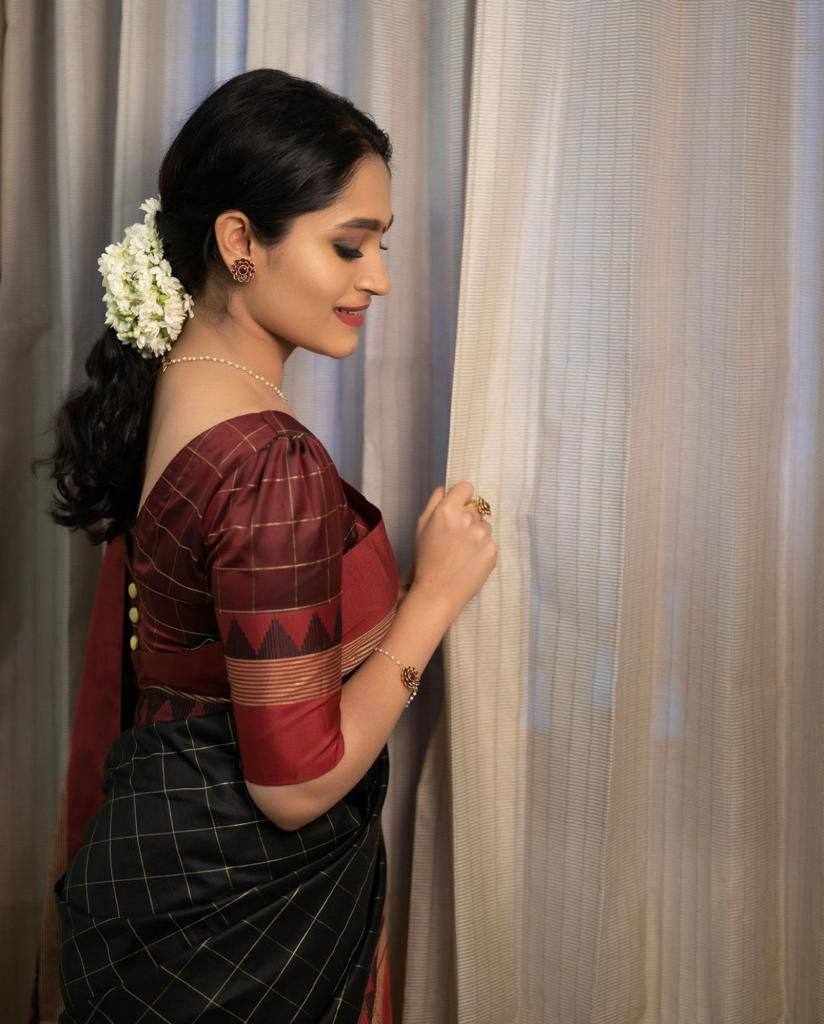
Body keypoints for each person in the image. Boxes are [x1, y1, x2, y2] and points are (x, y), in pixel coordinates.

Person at [28, 68, 497, 1023]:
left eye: (381, 245)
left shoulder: (179, 388)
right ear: (240, 242)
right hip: (236, 933)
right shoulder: (266, 463)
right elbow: (295, 785)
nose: (379, 278)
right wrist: (435, 599)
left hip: (160, 880)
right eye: (349, 246)